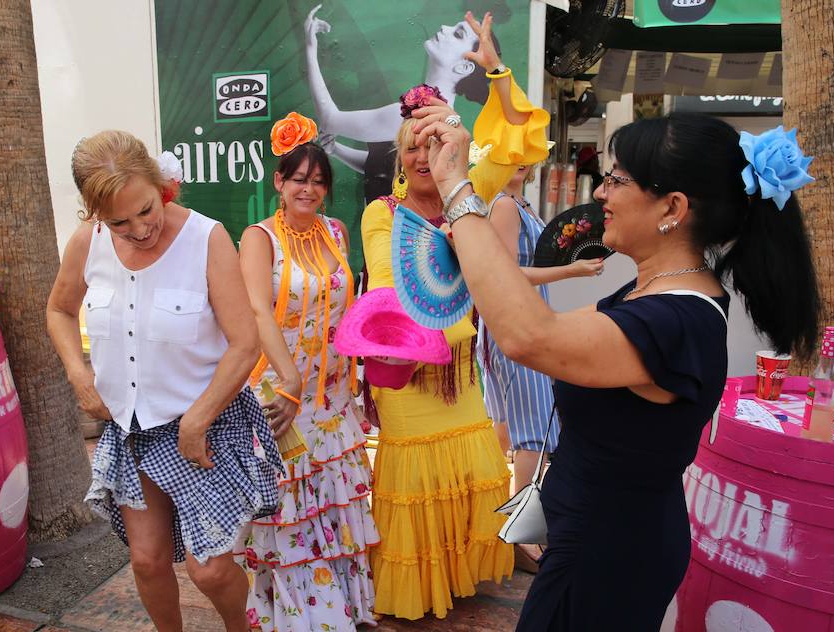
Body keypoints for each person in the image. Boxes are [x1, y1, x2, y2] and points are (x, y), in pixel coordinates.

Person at [413, 36, 820, 629]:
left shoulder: (675, 319)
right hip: (596, 535)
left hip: (610, 554)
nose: (600, 193)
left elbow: (530, 337)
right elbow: (537, 324)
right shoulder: (652, 295)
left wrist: (457, 188)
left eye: (618, 179)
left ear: (671, 206)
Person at [47, 131, 283, 632]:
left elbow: (244, 343)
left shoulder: (206, 237)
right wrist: (77, 372)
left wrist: (198, 418)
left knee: (211, 568)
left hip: (205, 428)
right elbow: (59, 309)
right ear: (95, 214)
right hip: (132, 431)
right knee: (147, 561)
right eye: (119, 222)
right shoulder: (88, 242)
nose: (138, 229)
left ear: (162, 184)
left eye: (146, 210)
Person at [359, 11, 549, 620]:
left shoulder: (472, 195)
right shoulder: (382, 215)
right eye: (412, 146)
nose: (423, 156)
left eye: (435, 143)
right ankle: (418, 593)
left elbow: (523, 141)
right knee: (415, 486)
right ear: (399, 155)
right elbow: (393, 293)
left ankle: (460, 580)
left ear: (453, 148)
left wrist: (496, 70)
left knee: (473, 471)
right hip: (412, 378)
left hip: (464, 377)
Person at [237, 112, 379, 631]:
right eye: (299, 179)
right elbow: (255, 310)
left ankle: (341, 605)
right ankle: (298, 615)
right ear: (279, 181)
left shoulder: (336, 232)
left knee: (332, 504)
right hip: (281, 392)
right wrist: (291, 382)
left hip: (334, 394)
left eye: (319, 181)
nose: (310, 189)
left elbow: (350, 307)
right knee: (291, 508)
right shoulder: (259, 238)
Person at [477, 163, 603, 572]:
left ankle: (495, 524)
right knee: (531, 433)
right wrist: (571, 270)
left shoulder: (516, 202)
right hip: (518, 324)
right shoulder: (506, 206)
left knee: (507, 429)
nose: (523, 160)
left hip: (516, 322)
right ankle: (520, 534)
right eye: (513, 151)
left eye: (527, 150)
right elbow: (505, 272)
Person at [304, 3, 496, 202]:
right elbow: (384, 169)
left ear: (464, 67)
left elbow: (329, 119)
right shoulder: (440, 114)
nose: (444, 28)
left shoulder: (415, 114)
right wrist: (336, 149)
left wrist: (310, 48)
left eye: (458, 34)